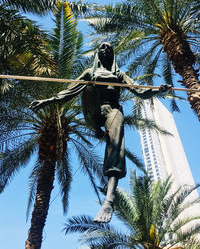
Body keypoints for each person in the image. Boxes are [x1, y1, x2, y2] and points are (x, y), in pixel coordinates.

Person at [30, 42, 171, 223]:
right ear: (98, 53)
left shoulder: (119, 75)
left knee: (116, 136)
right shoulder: (90, 72)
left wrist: (157, 90)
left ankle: (109, 200)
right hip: (93, 112)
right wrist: (47, 101)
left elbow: (140, 91)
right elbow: (69, 91)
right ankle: (97, 130)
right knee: (88, 86)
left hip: (112, 111)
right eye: (102, 47)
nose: (105, 49)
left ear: (112, 54)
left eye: (110, 48)